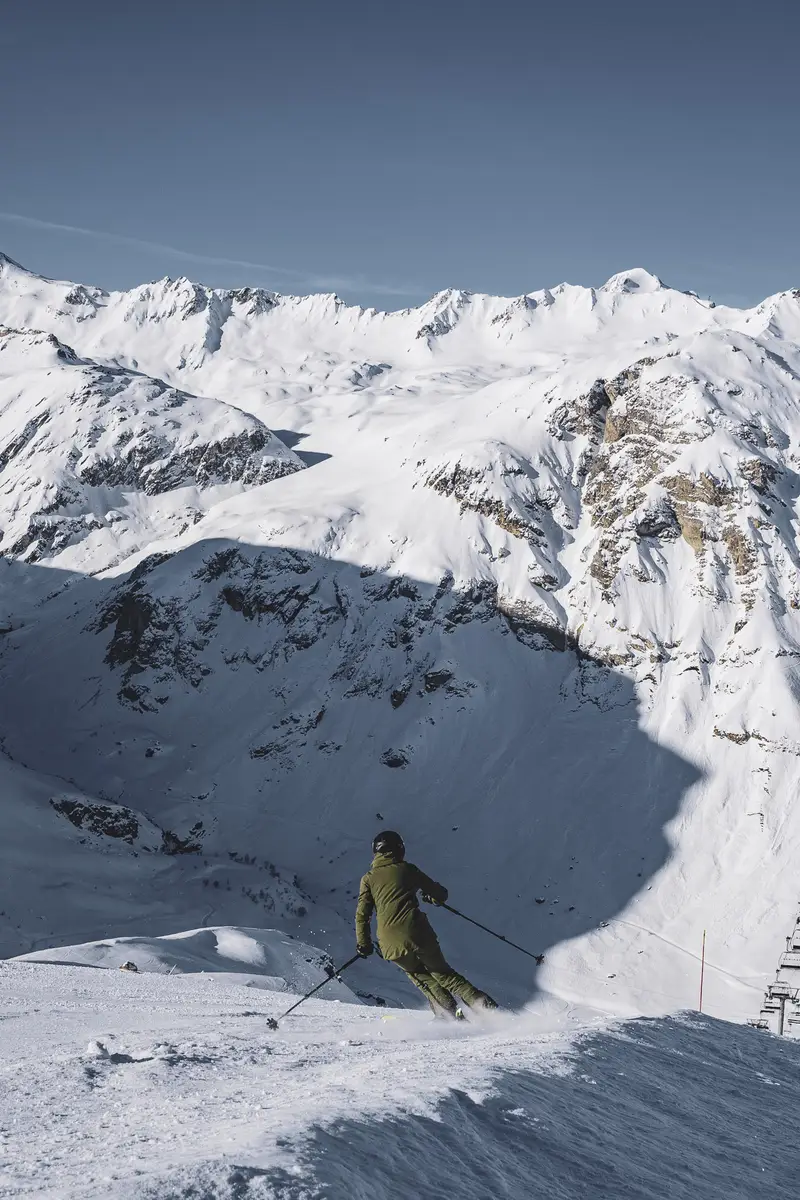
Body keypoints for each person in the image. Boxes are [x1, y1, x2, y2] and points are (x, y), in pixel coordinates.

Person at [355, 830, 497, 1018]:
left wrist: (363, 944)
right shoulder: (407, 869)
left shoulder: (368, 878)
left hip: (390, 943)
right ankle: (490, 1012)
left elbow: (362, 915)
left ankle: (451, 1017)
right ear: (399, 848)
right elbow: (440, 893)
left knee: (422, 978)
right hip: (417, 932)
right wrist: (431, 897)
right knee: (445, 975)